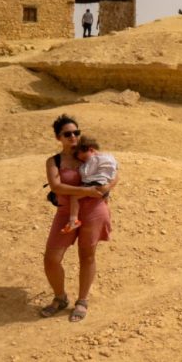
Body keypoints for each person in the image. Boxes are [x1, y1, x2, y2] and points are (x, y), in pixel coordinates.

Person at [40, 114, 117, 322]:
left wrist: (105, 188)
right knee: (51, 259)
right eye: (67, 134)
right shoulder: (54, 161)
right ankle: (60, 297)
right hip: (66, 213)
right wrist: (87, 190)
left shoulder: (88, 153)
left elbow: (113, 171)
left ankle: (82, 301)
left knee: (87, 256)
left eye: (76, 132)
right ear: (58, 137)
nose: (73, 136)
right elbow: (56, 186)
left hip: (93, 211)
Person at [62, 135, 118, 233]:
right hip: (105, 185)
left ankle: (73, 220)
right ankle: (108, 222)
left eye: (84, 158)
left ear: (91, 150)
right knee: (104, 203)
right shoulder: (110, 157)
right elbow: (115, 171)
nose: (84, 161)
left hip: (95, 184)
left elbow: (86, 173)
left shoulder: (93, 159)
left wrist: (81, 168)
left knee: (74, 197)